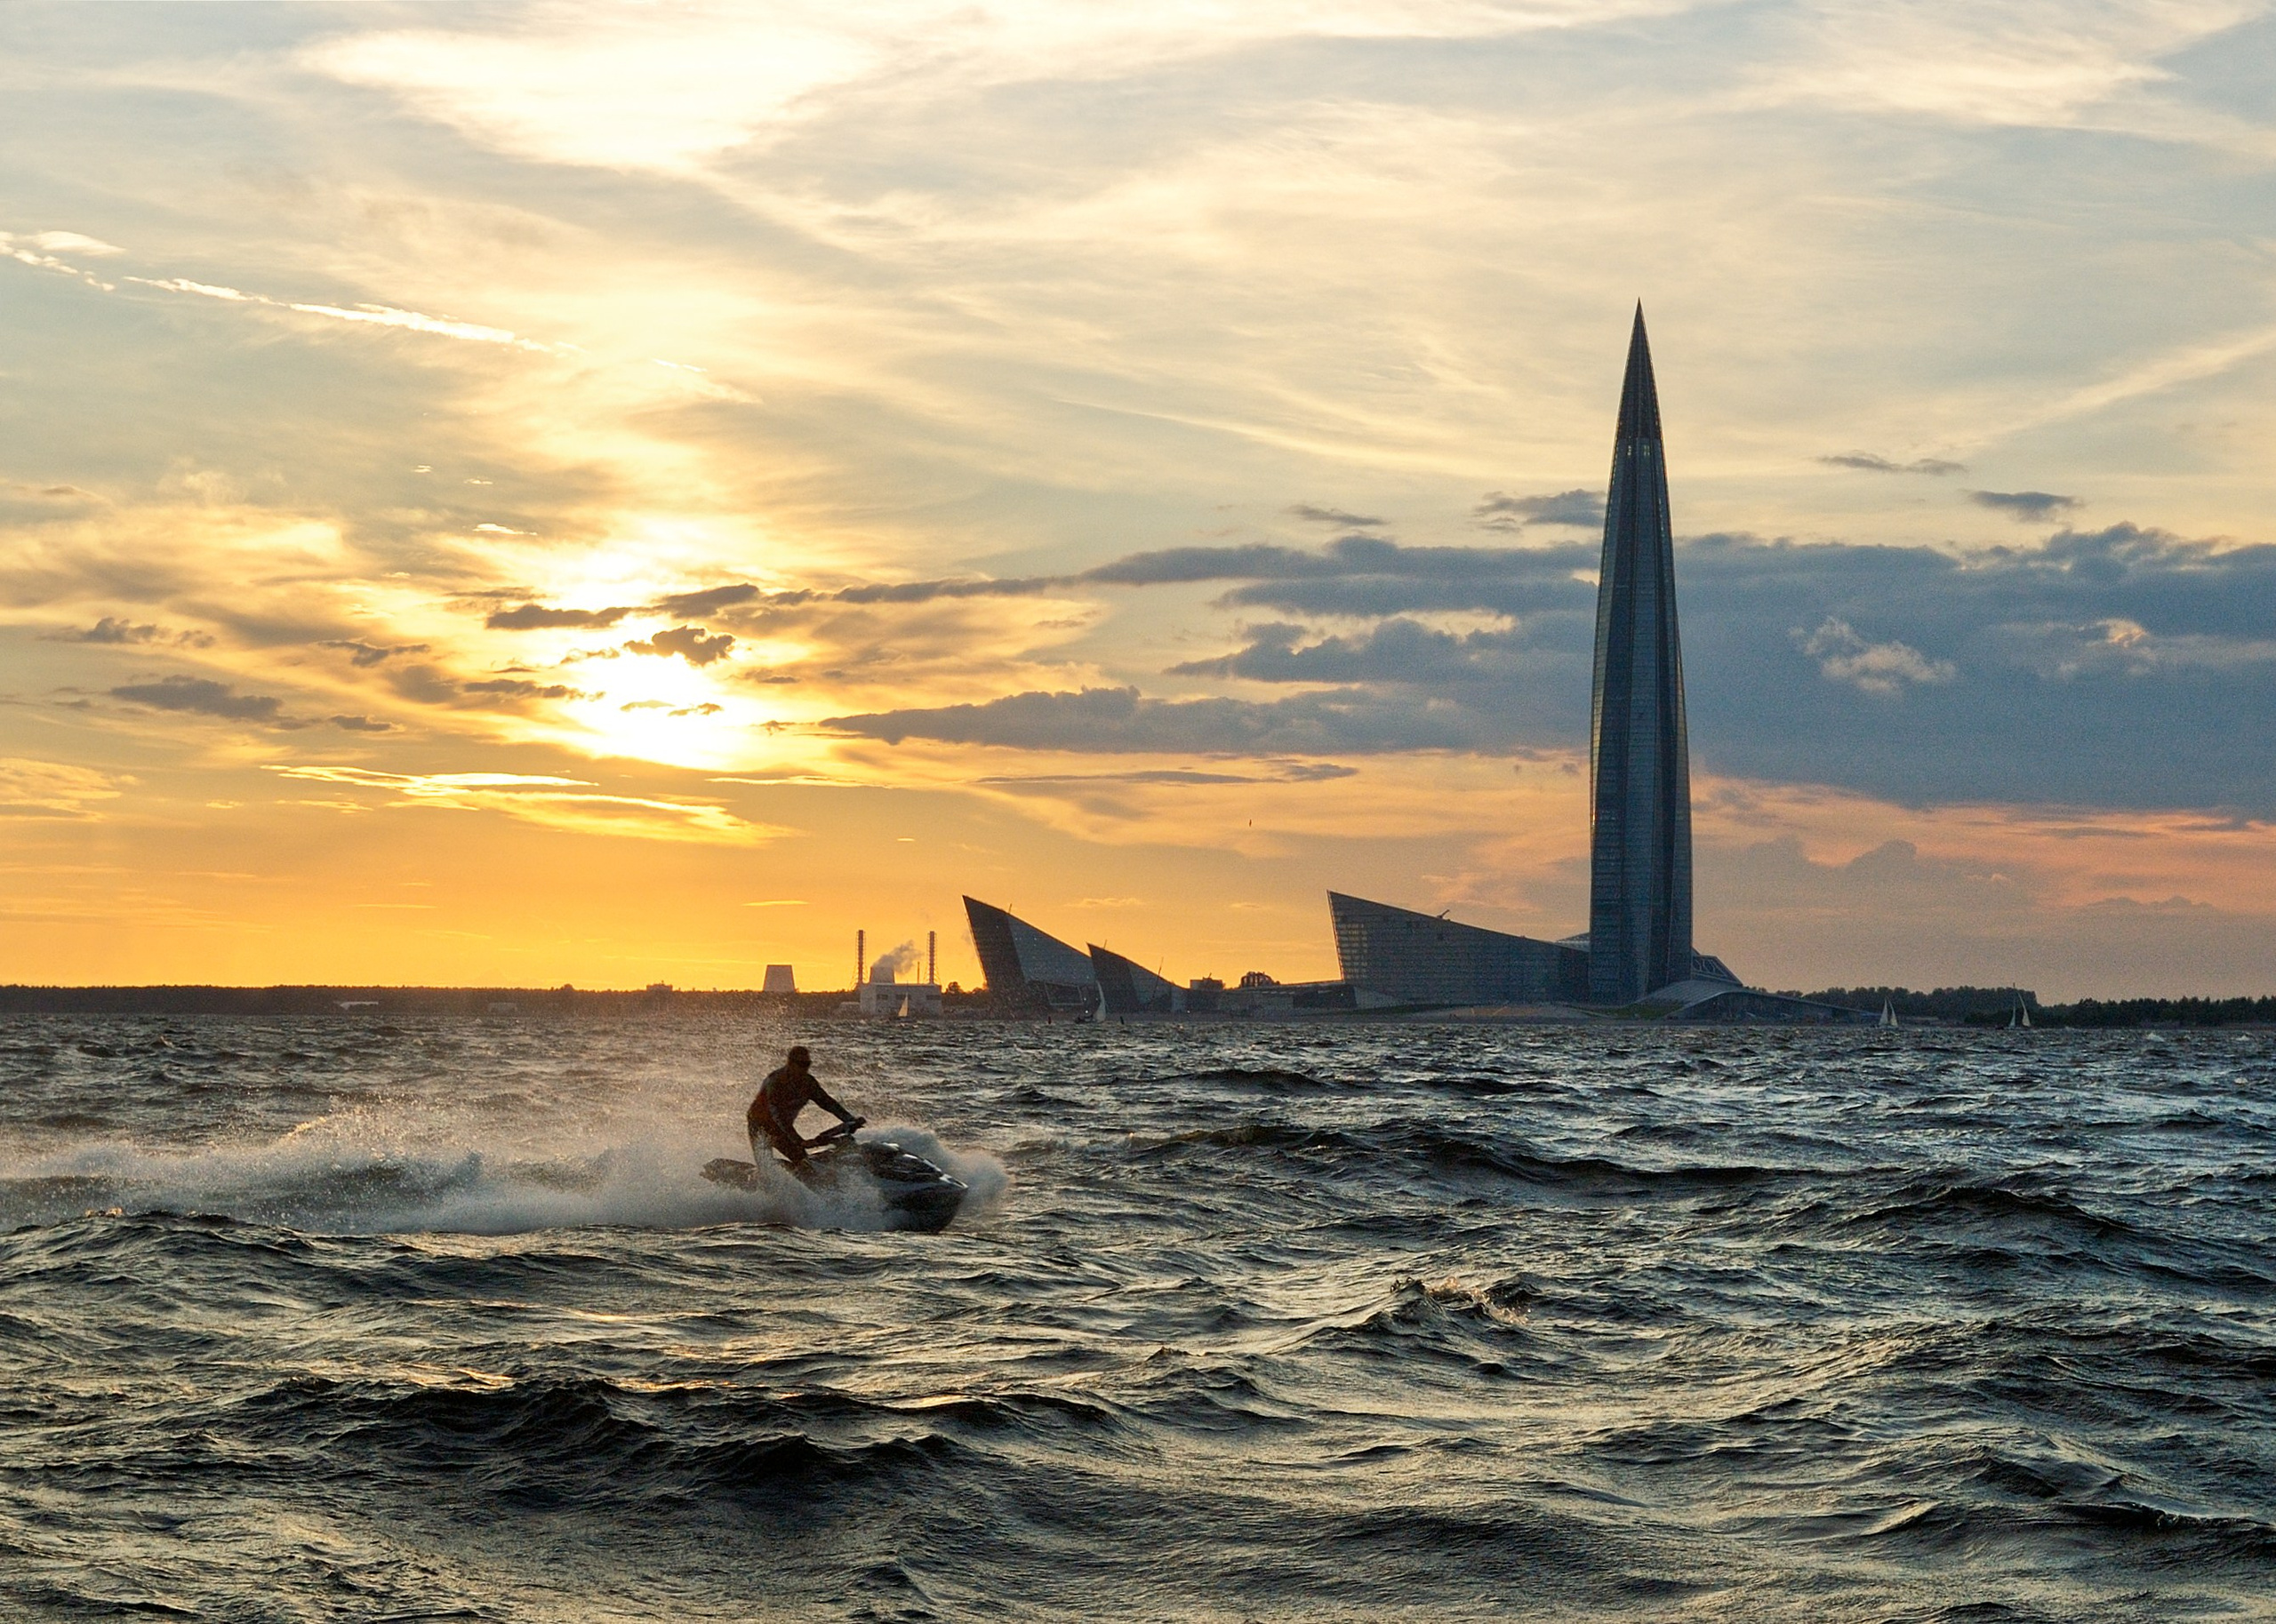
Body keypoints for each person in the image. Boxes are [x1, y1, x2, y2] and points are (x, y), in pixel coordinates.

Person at [748, 1044, 861, 1169]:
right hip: (760, 1126)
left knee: (804, 1163)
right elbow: (777, 1116)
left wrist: (849, 1119)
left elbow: (828, 1103)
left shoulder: (809, 1083)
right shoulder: (776, 1082)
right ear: (790, 1063)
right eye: (801, 1064)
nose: (804, 1069)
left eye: (807, 1064)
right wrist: (798, 1140)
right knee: (766, 1166)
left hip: (783, 1129)